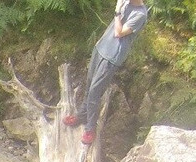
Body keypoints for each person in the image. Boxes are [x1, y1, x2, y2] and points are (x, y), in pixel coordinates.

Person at [63, 0, 148, 144]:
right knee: (89, 86)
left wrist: (117, 12)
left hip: (111, 57)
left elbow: (119, 32)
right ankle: (81, 115)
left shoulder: (140, 14)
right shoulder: (126, 3)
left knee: (95, 92)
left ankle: (90, 129)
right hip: (101, 48)